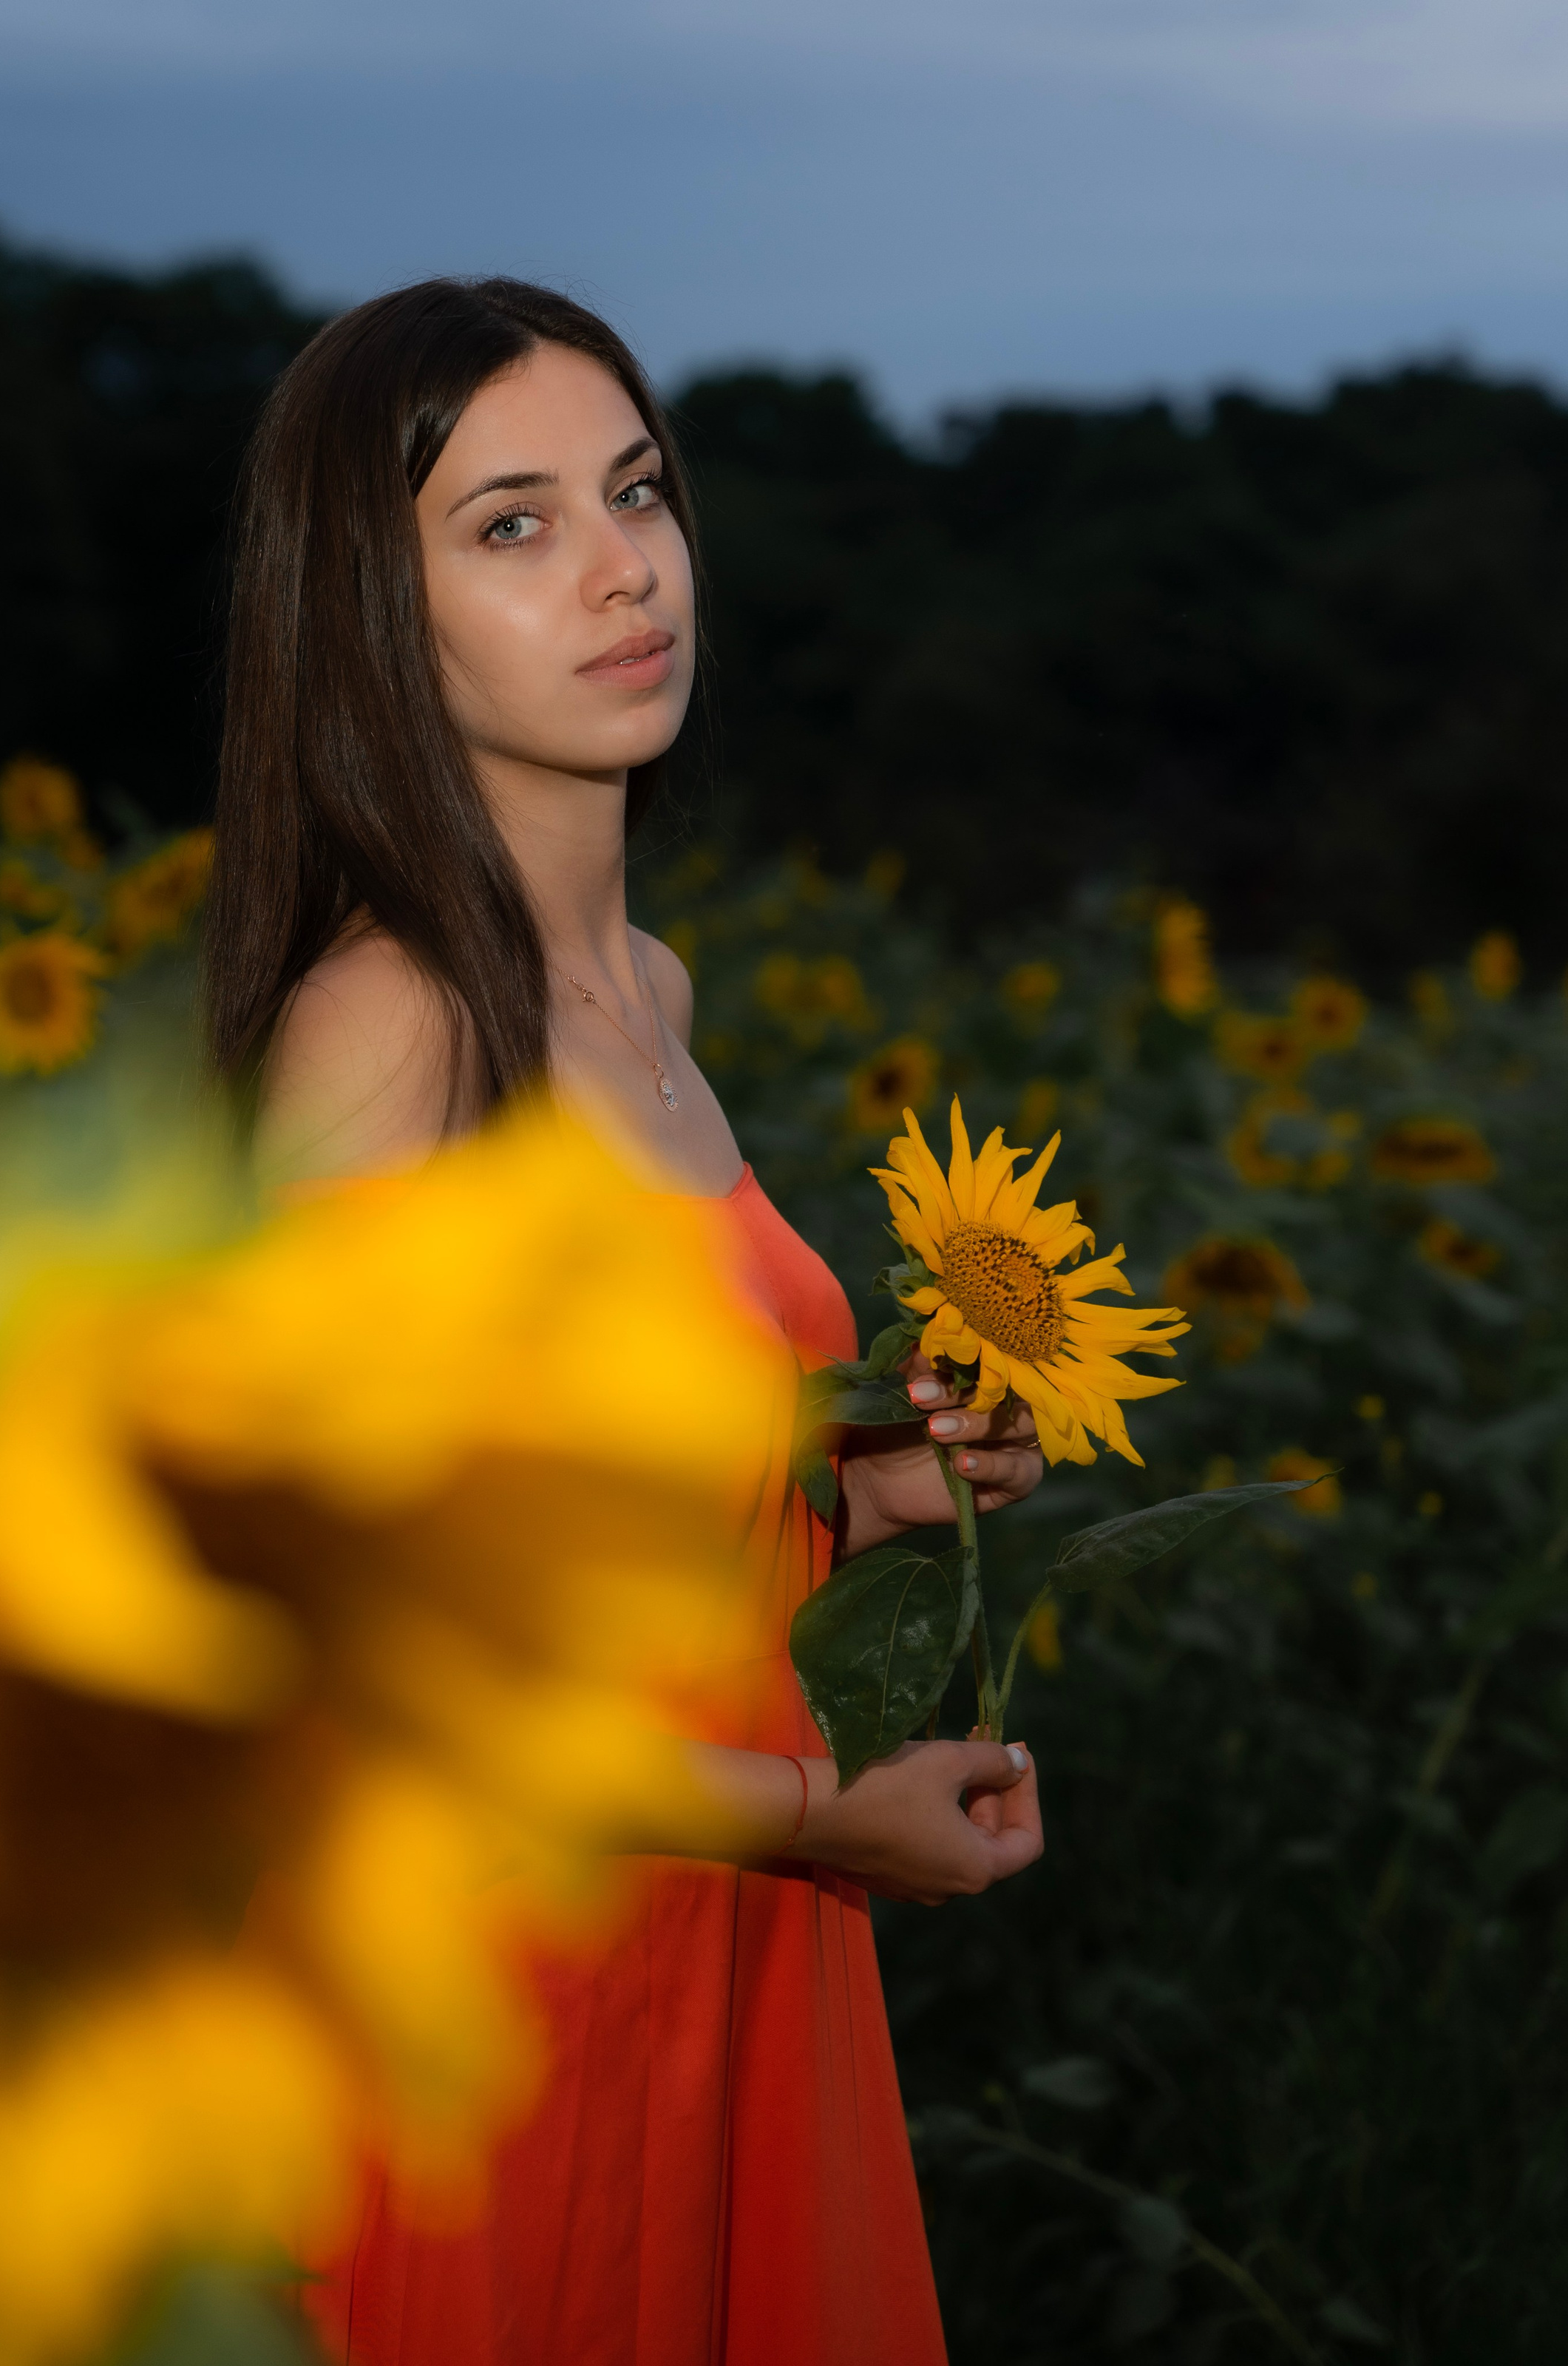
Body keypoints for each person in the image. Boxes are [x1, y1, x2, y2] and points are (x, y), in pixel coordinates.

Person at [205, 277, 1045, 2366]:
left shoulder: (645, 999)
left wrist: (893, 1491)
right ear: (368, 616)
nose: (618, 568)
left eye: (637, 491)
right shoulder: (388, 1032)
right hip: (492, 2035)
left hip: (719, 1958)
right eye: (511, 524)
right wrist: (802, 1818)